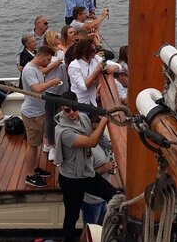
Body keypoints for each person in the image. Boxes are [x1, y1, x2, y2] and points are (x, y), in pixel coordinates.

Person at [55, 91, 118, 242]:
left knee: (114, 196)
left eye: (74, 109)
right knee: (72, 215)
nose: (71, 113)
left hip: (87, 173)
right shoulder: (63, 131)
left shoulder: (83, 118)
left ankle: (110, 230)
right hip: (71, 180)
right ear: (61, 110)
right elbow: (90, 142)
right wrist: (104, 121)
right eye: (67, 110)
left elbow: (92, 133)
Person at [21, 45, 63, 188]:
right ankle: (29, 175)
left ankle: (34, 168)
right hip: (32, 113)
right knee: (32, 146)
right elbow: (37, 89)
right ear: (41, 57)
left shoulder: (36, 69)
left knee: (37, 144)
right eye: (48, 59)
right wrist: (52, 82)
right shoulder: (29, 70)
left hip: (39, 112)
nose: (49, 62)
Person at [81, 117, 116, 225]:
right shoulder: (86, 147)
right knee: (90, 230)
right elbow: (83, 176)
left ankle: (101, 241)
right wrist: (104, 168)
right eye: (94, 129)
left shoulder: (103, 140)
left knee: (102, 225)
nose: (98, 132)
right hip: (91, 200)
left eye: (101, 128)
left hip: (102, 197)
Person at [68, 39, 120, 107]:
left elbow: (118, 66)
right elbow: (83, 87)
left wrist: (113, 68)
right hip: (80, 102)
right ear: (86, 52)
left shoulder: (96, 59)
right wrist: (97, 70)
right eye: (93, 50)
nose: (95, 52)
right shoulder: (74, 66)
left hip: (93, 100)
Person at [42, 31, 69, 162]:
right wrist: (53, 65)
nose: (59, 38)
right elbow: (40, 70)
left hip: (63, 89)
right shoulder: (45, 55)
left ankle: (60, 142)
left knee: (62, 116)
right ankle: (50, 145)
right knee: (50, 118)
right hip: (51, 90)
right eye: (57, 37)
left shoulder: (62, 52)